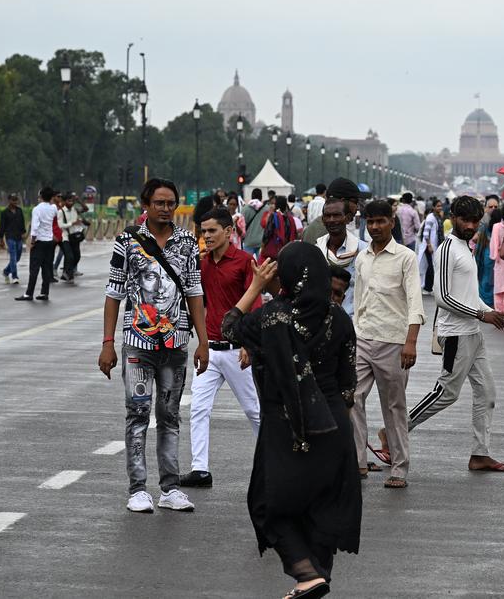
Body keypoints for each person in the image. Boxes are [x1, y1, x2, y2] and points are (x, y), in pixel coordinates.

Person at [221, 244, 362, 599]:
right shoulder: (340, 317)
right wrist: (337, 433)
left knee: (268, 502)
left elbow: (229, 327)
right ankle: (318, 575)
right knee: (323, 504)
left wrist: (255, 287)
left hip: (287, 425)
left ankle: (306, 575)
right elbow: (348, 385)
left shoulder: (273, 317)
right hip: (332, 424)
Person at [98, 178, 208, 514]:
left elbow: (194, 293)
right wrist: (107, 343)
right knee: (138, 414)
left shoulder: (188, 243)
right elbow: (114, 293)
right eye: (159, 203)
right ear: (145, 204)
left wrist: (203, 342)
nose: (165, 208)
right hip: (137, 344)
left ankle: (170, 488)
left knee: (170, 415)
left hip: (175, 344)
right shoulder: (127, 242)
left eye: (170, 203)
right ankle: (137, 489)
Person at [405, 195, 504, 473]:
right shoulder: (447, 249)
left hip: (472, 333)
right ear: (453, 217)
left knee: (487, 392)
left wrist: (491, 311)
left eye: (475, 221)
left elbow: (470, 295)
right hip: (455, 333)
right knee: (447, 392)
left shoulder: (467, 248)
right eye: (465, 220)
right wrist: (482, 315)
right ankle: (396, 429)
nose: (470, 225)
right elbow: (442, 297)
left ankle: (480, 454)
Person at [179, 208, 261, 489]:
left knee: (254, 411)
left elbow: (254, 304)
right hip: (210, 351)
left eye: (212, 231)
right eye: (203, 231)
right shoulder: (201, 265)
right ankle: (200, 469)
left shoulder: (244, 262)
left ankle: (274, 463)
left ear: (229, 232)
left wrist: (250, 344)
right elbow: (196, 304)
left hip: (238, 351)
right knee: (199, 409)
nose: (207, 236)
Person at [350, 199, 424, 488]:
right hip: (362, 337)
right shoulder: (362, 257)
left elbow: (416, 301)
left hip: (394, 341)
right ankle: (357, 461)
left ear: (392, 223)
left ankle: (399, 467)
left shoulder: (405, 257)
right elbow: (358, 301)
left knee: (394, 406)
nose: (375, 227)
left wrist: (411, 342)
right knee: (352, 398)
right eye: (370, 222)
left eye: (381, 221)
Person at [315, 198, 366, 317]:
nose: (332, 220)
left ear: (347, 218)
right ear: (323, 220)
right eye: (328, 216)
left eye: (337, 215)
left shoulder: (363, 251)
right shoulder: (317, 251)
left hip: (353, 321)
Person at [17, 186, 60, 302]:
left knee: (34, 269)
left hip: (39, 241)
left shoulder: (37, 209)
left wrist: (32, 241)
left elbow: (35, 227)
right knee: (46, 268)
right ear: (51, 197)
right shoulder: (53, 208)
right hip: (49, 242)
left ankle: (29, 293)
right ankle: (44, 292)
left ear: (40, 196)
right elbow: (56, 212)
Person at [301, 178, 364, 245]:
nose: (357, 207)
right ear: (342, 202)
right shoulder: (332, 232)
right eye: (355, 202)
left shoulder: (315, 228)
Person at [56, 192, 87, 281]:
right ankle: (67, 273)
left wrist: (78, 200)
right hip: (65, 237)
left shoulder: (75, 210)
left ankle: (68, 272)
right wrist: (72, 223)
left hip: (75, 237)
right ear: (65, 201)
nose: (71, 203)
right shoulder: (61, 212)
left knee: (77, 256)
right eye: (69, 201)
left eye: (72, 201)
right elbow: (60, 225)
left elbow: (85, 209)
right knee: (69, 256)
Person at [0, 193, 25, 285]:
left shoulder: (19, 211)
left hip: (19, 236)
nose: (15, 202)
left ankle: (6, 271)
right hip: (10, 237)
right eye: (13, 200)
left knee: (17, 258)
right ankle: (15, 276)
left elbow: (22, 222)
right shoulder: (4, 212)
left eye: (16, 200)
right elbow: (2, 226)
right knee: (13, 257)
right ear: (9, 200)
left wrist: (23, 233)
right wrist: (1, 239)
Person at [260, 196, 297, 263]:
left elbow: (267, 233)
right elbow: (295, 233)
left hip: (275, 251)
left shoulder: (274, 216)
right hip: (287, 250)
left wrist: (263, 246)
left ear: (276, 205)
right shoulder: (290, 218)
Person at [475, 208, 500, 307]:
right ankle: (492, 302)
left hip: (487, 255)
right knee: (494, 280)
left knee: (485, 279)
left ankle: (483, 302)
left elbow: (477, 241)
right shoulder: (501, 227)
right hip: (499, 257)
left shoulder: (485, 227)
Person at [418, 199, 442, 294]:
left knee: (430, 266)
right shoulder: (431, 217)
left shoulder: (437, 217)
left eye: (441, 206)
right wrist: (429, 245)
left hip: (434, 246)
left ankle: (428, 287)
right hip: (429, 246)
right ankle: (430, 288)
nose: (440, 208)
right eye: (438, 206)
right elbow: (426, 233)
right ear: (433, 207)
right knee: (431, 267)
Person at [240, 188, 270, 257]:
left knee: (247, 264)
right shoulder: (267, 209)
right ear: (261, 197)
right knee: (261, 265)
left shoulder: (245, 209)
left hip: (248, 241)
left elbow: (241, 225)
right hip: (262, 242)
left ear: (252, 196)